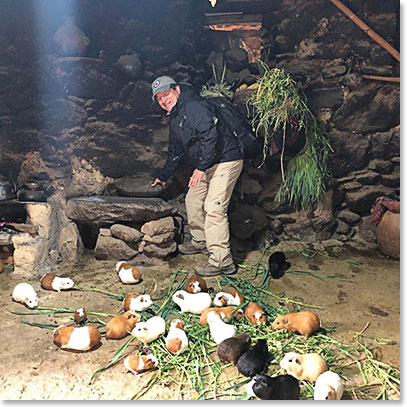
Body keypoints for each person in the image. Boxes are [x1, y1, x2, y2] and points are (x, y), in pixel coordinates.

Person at [150, 76, 244, 277]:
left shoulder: (194, 105)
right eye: (159, 98)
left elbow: (211, 135)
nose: (163, 100)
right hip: (208, 164)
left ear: (176, 89)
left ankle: (222, 261)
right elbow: (175, 150)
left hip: (226, 160)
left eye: (165, 94)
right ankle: (201, 242)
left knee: (214, 208)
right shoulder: (176, 117)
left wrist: (200, 168)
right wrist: (164, 175)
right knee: (193, 200)